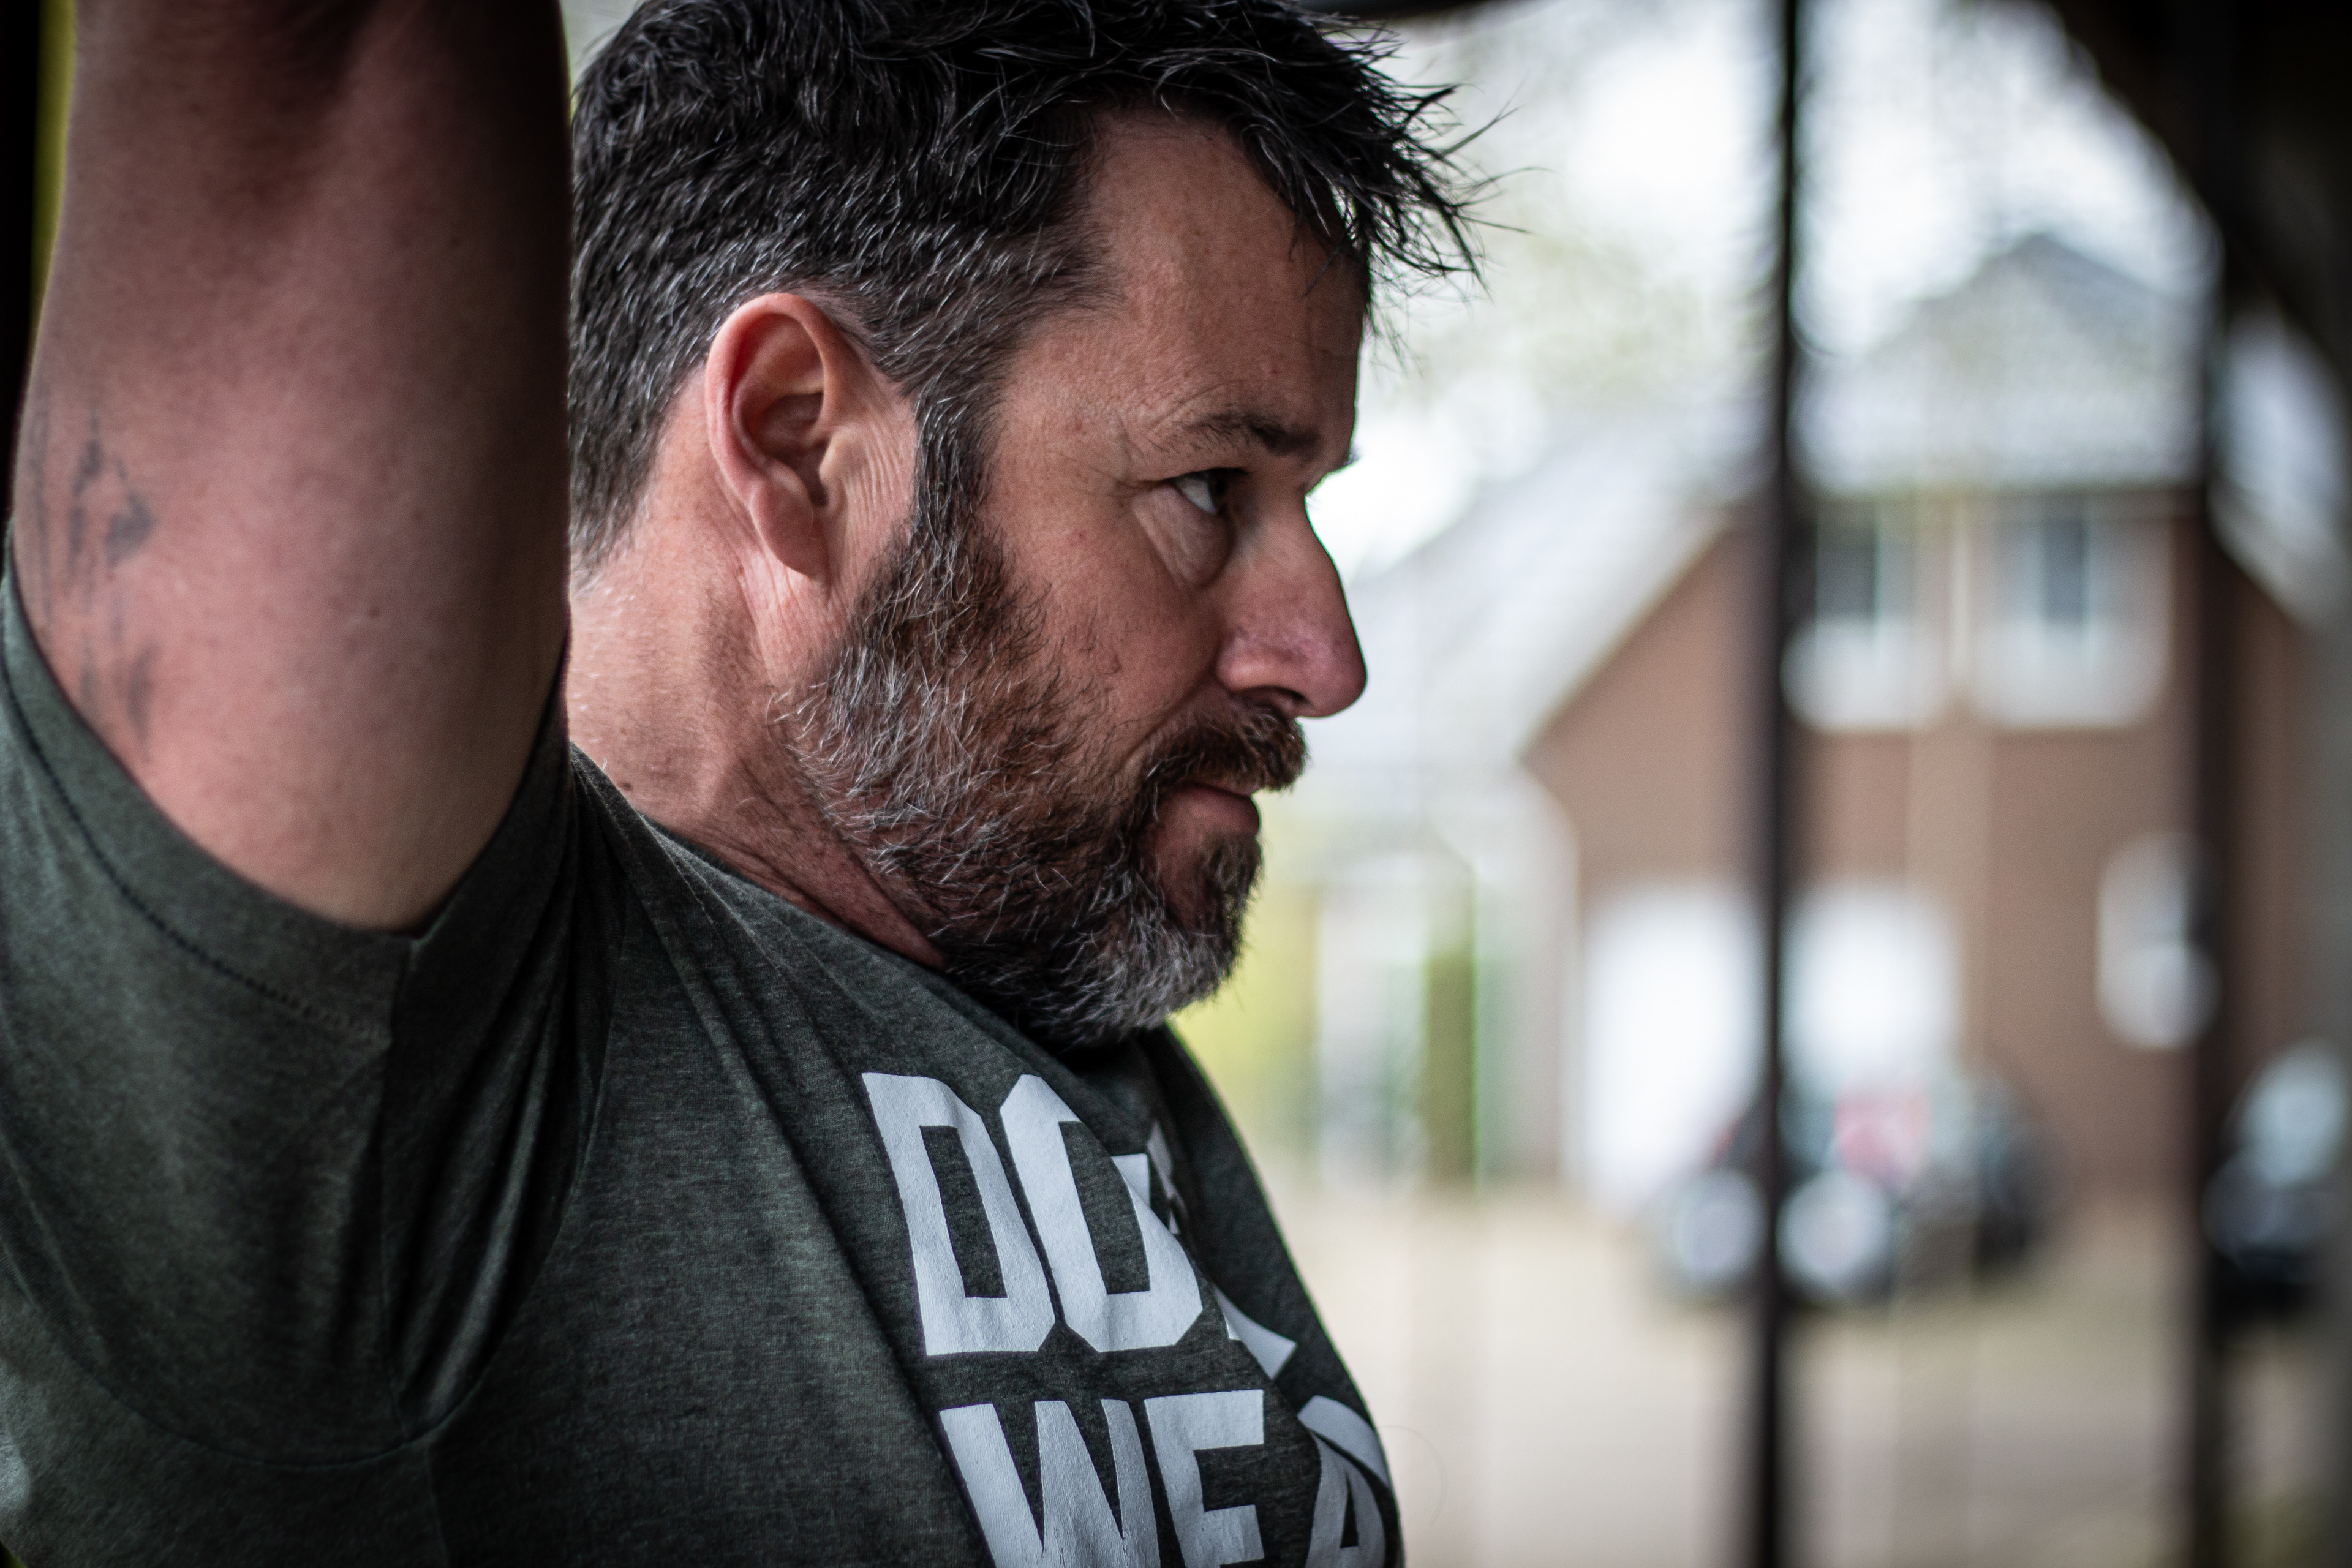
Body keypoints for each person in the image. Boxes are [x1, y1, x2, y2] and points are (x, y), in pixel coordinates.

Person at [0, 0, 1471, 1561]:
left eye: (1308, 499)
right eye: (1210, 488)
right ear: (797, 439)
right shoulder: (429, 1066)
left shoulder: (1030, 949)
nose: (1326, 655)